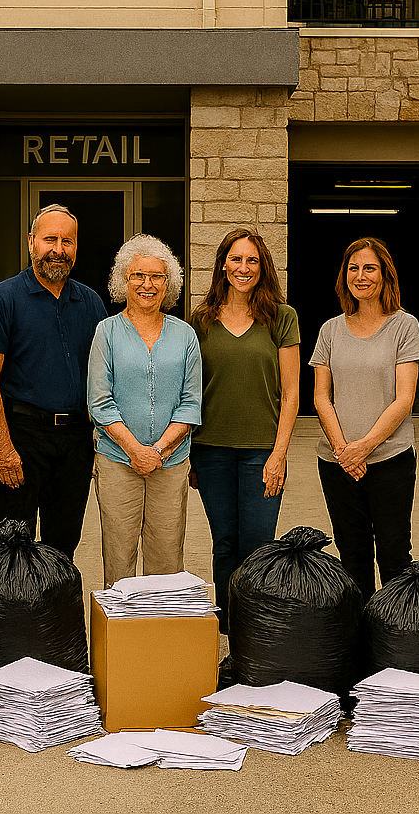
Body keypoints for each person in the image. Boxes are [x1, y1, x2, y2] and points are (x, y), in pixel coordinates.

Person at [0, 204, 107, 558]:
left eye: (67, 241)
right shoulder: (3, 298)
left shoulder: (91, 302)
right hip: (22, 435)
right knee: (11, 546)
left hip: (76, 440)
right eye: (50, 239)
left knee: (63, 545)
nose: (58, 249)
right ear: (32, 242)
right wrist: (4, 450)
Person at [188, 228, 301, 630]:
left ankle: (255, 631)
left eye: (252, 260)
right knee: (224, 545)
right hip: (210, 450)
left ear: (262, 266)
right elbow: (190, 390)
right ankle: (228, 628)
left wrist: (279, 454)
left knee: (258, 547)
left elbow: (291, 394)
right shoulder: (200, 320)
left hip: (262, 452)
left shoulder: (282, 317)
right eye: (235, 259)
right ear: (223, 264)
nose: (243, 267)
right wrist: (189, 455)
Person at [311, 237, 419, 599]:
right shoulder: (330, 330)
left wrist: (363, 447)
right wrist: (344, 451)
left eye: (370, 268)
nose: (361, 276)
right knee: (352, 556)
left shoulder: (405, 326)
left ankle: (392, 630)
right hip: (337, 463)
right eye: (354, 268)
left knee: (394, 556)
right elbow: (321, 397)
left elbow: (404, 399)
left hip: (390, 460)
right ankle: (358, 632)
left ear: (385, 275)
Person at [88, 235, 202, 587]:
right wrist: (135, 451)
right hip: (118, 462)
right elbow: (99, 401)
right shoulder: (107, 332)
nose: (147, 285)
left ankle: (160, 625)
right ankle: (121, 624)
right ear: (124, 280)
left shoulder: (185, 335)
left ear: (169, 284)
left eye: (156, 277)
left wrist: (158, 451)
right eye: (138, 275)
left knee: (166, 564)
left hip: (171, 463)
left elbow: (191, 402)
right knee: (119, 562)